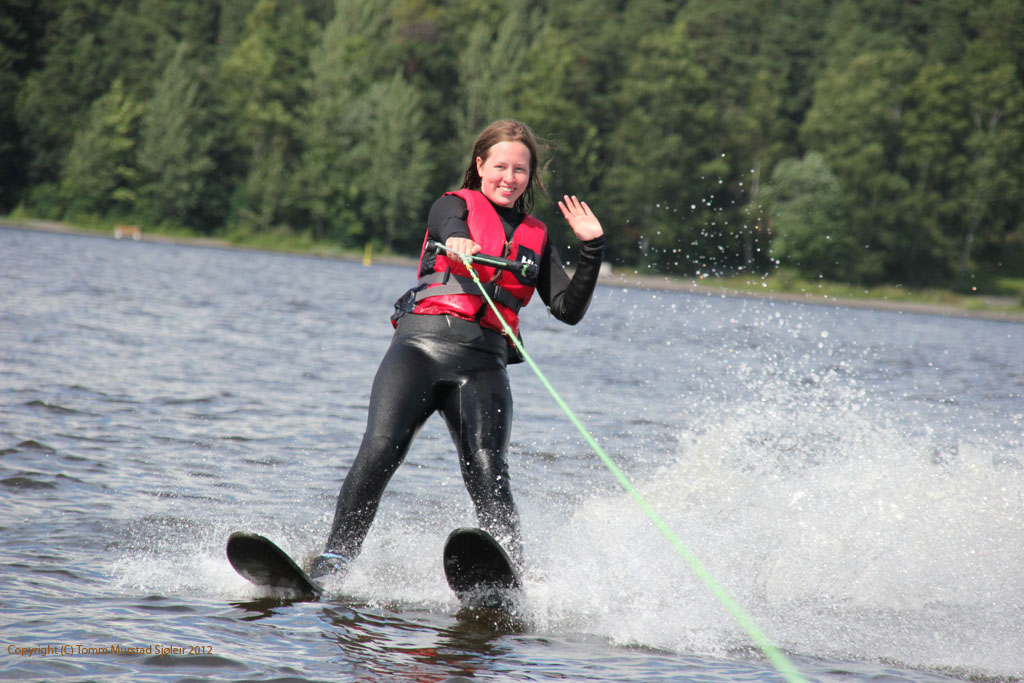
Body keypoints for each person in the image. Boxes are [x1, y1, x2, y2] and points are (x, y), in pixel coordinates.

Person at [311, 119, 605, 578]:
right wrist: (456, 239)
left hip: (484, 364)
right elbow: (447, 224)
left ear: (530, 176)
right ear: (480, 165)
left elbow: (567, 309)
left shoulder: (536, 235)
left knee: (489, 466)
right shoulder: (453, 205)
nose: (509, 178)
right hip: (419, 350)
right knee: (382, 447)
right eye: (500, 166)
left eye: (520, 170)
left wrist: (592, 249)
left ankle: (510, 576)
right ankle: (335, 558)